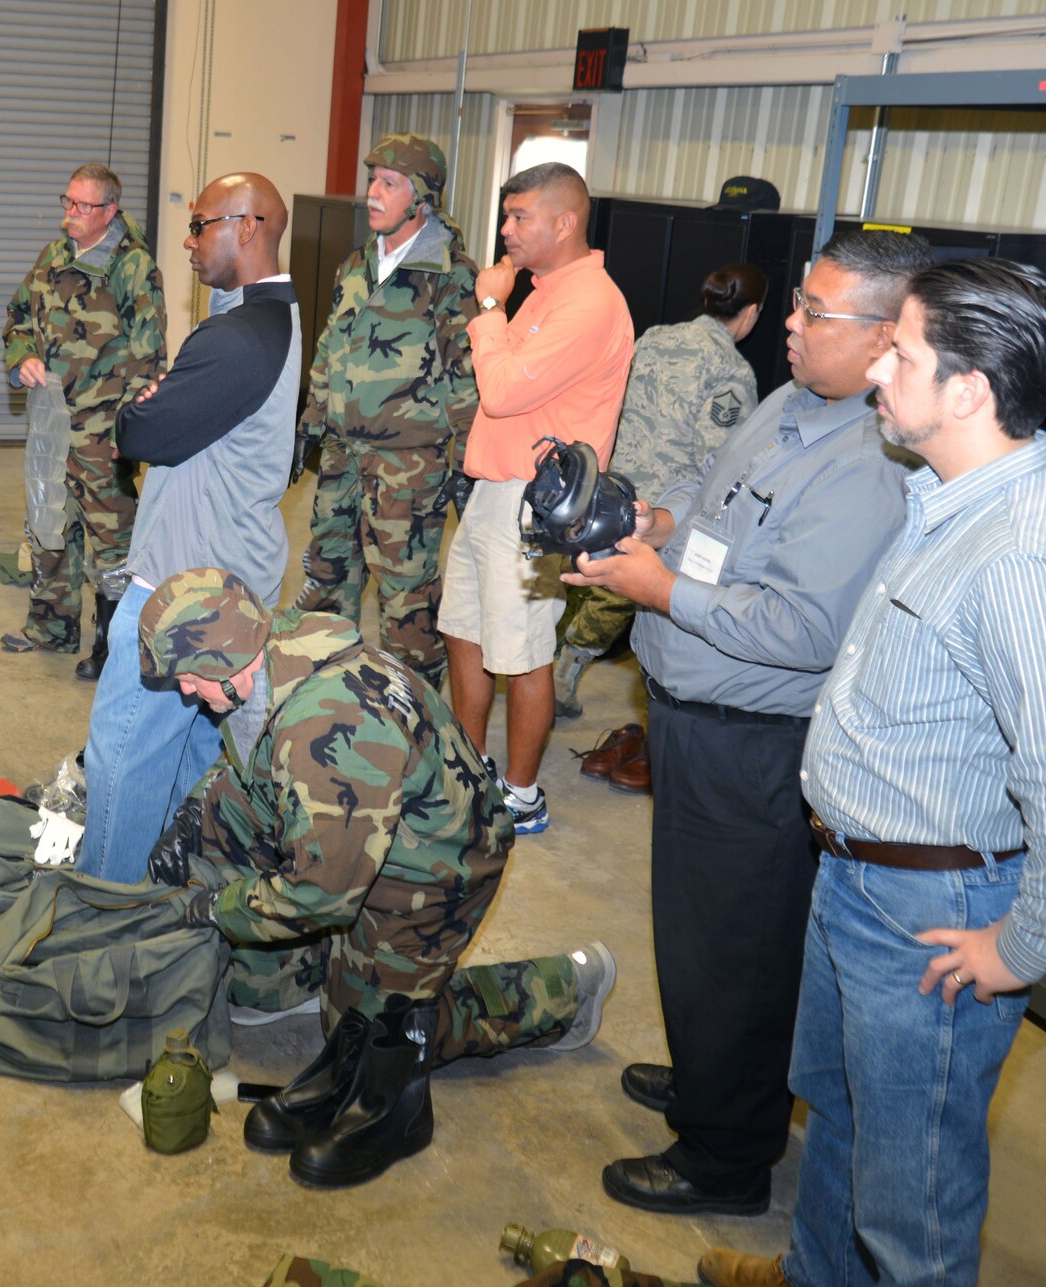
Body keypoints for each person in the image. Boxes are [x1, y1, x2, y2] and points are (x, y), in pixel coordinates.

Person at [700, 259, 1046, 1287]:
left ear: (967, 390)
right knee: (843, 1110)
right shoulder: (943, 500)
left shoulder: (1020, 553)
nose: (879, 369)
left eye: (899, 351)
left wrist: (1017, 947)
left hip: (930, 910)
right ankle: (813, 1277)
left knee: (915, 1203)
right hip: (856, 880)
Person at [563, 230, 928, 1218]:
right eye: (798, 306)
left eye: (816, 315)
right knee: (696, 933)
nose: (792, 327)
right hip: (692, 717)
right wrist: (659, 526)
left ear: (885, 338)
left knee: (736, 949)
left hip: (750, 738)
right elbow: (714, 500)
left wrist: (657, 591)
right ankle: (710, 1081)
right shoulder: (790, 402)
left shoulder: (868, 460)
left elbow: (801, 627)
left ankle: (724, 1154)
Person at [139, 567, 617, 1188]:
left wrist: (214, 909)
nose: (184, 690)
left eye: (190, 675)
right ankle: (311, 977)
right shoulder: (278, 648)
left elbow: (321, 897)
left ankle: (564, 990)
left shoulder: (320, 729)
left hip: (437, 869)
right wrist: (199, 815)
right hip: (372, 832)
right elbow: (259, 774)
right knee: (222, 818)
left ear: (230, 659)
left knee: (385, 1033)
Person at [68, 172, 299, 884]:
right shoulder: (255, 318)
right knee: (195, 755)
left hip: (184, 589)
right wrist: (165, 396)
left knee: (123, 750)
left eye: (200, 225)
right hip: (220, 572)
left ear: (249, 226)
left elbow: (144, 431)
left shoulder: (239, 337)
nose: (188, 239)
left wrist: (146, 405)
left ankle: (103, 911)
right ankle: (171, 894)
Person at [439, 162, 633, 835]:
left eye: (520, 218)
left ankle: (520, 794)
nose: (507, 231)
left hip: (532, 506)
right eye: (506, 216)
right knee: (464, 632)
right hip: (493, 491)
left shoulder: (590, 302)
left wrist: (489, 308)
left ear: (564, 222)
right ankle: (469, 768)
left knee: (523, 652)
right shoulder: (546, 290)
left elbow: (502, 391)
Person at [291, 133, 478, 689]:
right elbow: (329, 350)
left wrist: (469, 464)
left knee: (406, 597)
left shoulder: (452, 276)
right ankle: (321, 696)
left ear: (421, 198)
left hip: (407, 468)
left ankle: (412, 711)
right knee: (327, 575)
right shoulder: (355, 264)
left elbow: (466, 376)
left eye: (388, 183)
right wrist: (308, 427)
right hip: (343, 457)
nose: (372, 193)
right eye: (372, 180)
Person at [555, 262, 766, 725]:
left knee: (586, 572)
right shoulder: (731, 369)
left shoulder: (654, 337)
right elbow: (723, 458)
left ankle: (553, 654)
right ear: (751, 313)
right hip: (663, 504)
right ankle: (564, 673)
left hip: (611, 482)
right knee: (621, 594)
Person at [0, 162, 165, 679]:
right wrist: (21, 357)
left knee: (111, 539)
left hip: (102, 428)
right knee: (48, 519)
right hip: (51, 419)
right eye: (67, 202)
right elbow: (18, 316)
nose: (70, 213)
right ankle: (50, 626)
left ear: (109, 210)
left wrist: (129, 433)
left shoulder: (133, 268)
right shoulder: (52, 257)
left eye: (82, 205)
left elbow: (150, 358)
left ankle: (112, 645)